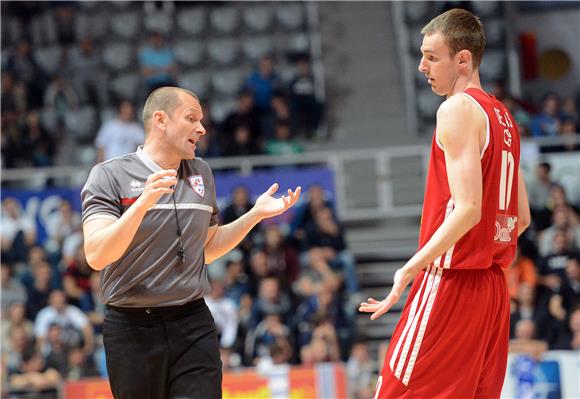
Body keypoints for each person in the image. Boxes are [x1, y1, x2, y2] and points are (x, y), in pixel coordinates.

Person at [81, 86, 300, 398]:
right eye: (191, 118)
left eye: (202, 120)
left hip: (193, 320)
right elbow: (97, 255)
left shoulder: (201, 172)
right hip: (132, 328)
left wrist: (254, 215)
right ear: (161, 120)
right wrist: (142, 204)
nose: (202, 128)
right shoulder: (109, 175)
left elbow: (207, 249)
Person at [359, 9, 531, 398]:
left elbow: (469, 208)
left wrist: (409, 268)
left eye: (432, 57)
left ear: (463, 59)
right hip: (492, 290)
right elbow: (520, 217)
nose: (422, 66)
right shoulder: (503, 116)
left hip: (452, 282)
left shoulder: (456, 109)